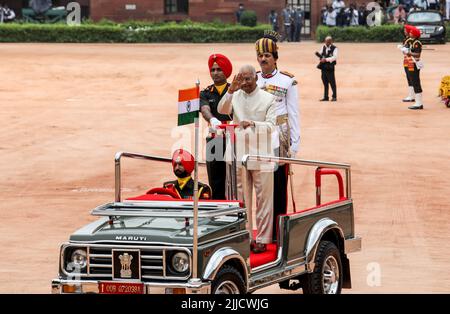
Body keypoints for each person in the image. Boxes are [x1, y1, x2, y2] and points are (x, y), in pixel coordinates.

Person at [218, 65, 277, 253]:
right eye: (241, 79)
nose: (244, 83)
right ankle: (244, 236)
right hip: (238, 154)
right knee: (240, 200)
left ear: (256, 78)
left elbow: (271, 126)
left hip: (262, 155)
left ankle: (262, 239)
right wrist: (230, 90)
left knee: (264, 200)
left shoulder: (269, 98)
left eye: (248, 79)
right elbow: (222, 109)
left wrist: (253, 123)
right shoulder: (234, 95)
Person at [254, 31, 300, 242]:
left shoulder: (287, 81)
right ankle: (262, 233)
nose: (263, 59)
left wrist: (295, 144)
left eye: (267, 56)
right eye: (260, 56)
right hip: (257, 139)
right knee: (261, 188)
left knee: (278, 187)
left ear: (275, 58)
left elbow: (293, 113)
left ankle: (279, 235)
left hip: (279, 139)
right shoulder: (252, 79)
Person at [200, 54, 233, 200]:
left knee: (234, 179)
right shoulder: (206, 93)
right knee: (216, 180)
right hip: (215, 138)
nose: (215, 73)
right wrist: (212, 119)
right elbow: (205, 109)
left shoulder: (235, 90)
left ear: (226, 71)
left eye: (219, 69)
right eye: (212, 70)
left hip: (233, 137)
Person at [404, 25, 424, 110]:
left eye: (411, 32)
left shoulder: (417, 43)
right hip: (410, 63)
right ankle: (417, 101)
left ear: (415, 34)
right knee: (412, 80)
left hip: (415, 64)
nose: (410, 33)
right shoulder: (412, 41)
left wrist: (409, 53)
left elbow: (418, 54)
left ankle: (419, 103)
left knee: (415, 82)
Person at [317, 36, 338, 101]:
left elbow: (334, 57)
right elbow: (320, 53)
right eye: (326, 42)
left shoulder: (335, 48)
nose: (327, 43)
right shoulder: (323, 47)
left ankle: (334, 97)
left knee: (332, 83)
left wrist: (325, 59)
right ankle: (326, 97)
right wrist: (320, 57)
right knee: (325, 82)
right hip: (323, 67)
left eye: (328, 42)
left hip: (330, 68)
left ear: (331, 42)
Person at [400, 24, 416, 102]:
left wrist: (404, 49)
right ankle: (411, 95)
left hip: (410, 60)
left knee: (411, 78)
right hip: (406, 60)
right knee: (409, 78)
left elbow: (410, 51)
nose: (404, 31)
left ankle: (412, 96)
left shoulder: (410, 40)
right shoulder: (406, 39)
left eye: (405, 30)